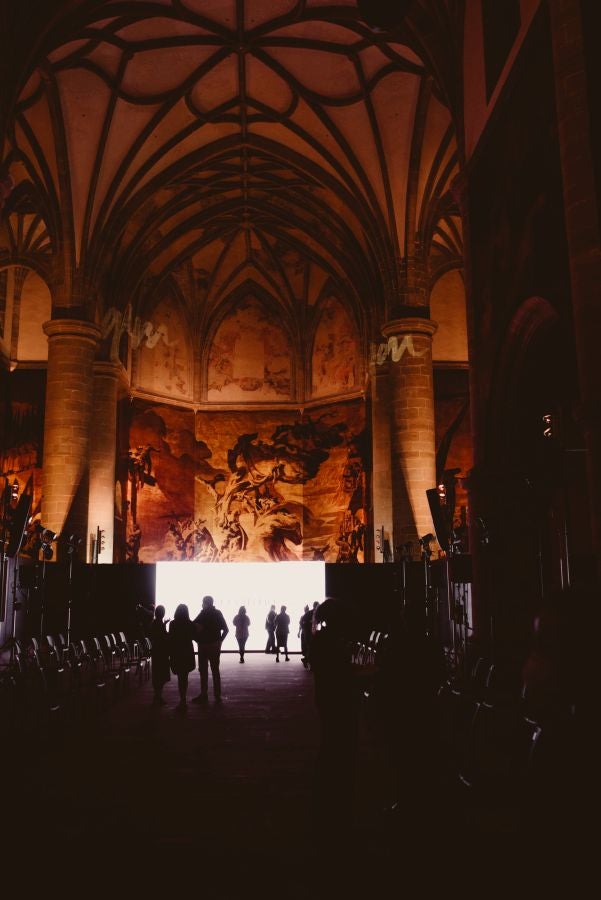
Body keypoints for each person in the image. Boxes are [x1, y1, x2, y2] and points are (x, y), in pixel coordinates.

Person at [192, 595, 229, 703]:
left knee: (203, 671)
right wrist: (220, 641)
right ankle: (217, 695)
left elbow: (192, 627)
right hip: (214, 646)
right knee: (215, 671)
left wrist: (197, 639)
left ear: (205, 603)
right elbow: (226, 629)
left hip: (203, 646)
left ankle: (204, 695)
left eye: (202, 603)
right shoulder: (218, 613)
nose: (201, 604)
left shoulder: (202, 614)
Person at [168, 603, 196, 712]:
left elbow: (171, 638)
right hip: (187, 652)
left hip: (177, 652)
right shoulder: (190, 623)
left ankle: (182, 699)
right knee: (185, 677)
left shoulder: (173, 623)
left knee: (180, 677)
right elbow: (194, 636)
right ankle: (183, 699)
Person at [149, 604, 170, 705]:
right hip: (161, 652)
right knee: (160, 675)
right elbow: (162, 636)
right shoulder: (158, 624)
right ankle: (158, 696)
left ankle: (157, 696)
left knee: (157, 674)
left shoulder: (155, 622)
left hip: (157, 652)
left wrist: (164, 624)